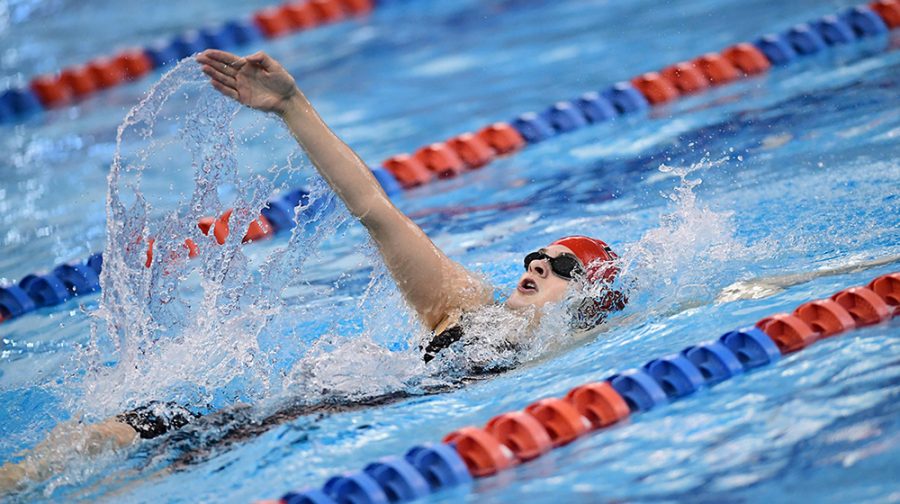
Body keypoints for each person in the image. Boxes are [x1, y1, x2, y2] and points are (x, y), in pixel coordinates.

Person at [0, 49, 624, 493]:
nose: (540, 261)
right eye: (537, 255)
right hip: (297, 416)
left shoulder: (562, 359)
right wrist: (292, 106)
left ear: (587, 300)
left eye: (562, 264)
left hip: (328, 433)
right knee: (129, 430)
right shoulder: (461, 303)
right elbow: (376, 209)